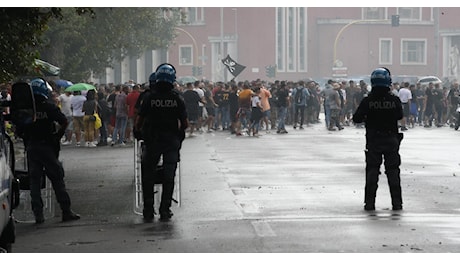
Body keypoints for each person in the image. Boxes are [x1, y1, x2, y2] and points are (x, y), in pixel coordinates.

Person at [136, 63, 188, 222]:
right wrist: (180, 133)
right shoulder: (177, 98)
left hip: (152, 140)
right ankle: (165, 209)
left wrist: (139, 133)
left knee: (148, 175)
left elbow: (139, 119)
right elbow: (184, 122)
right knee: (169, 175)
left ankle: (148, 209)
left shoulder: (149, 98)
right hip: (171, 141)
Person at [24, 78, 80, 224]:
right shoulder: (49, 107)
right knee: (57, 179)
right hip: (47, 147)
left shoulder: (26, 109)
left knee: (34, 182)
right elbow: (64, 121)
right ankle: (66, 211)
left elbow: (20, 128)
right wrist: (57, 137)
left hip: (32, 147)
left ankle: (38, 214)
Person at [352, 67, 404, 211]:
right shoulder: (394, 99)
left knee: (372, 172)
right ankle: (397, 203)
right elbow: (400, 115)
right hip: (391, 139)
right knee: (393, 171)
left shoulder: (368, 101)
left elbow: (356, 119)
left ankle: (369, 203)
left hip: (374, 140)